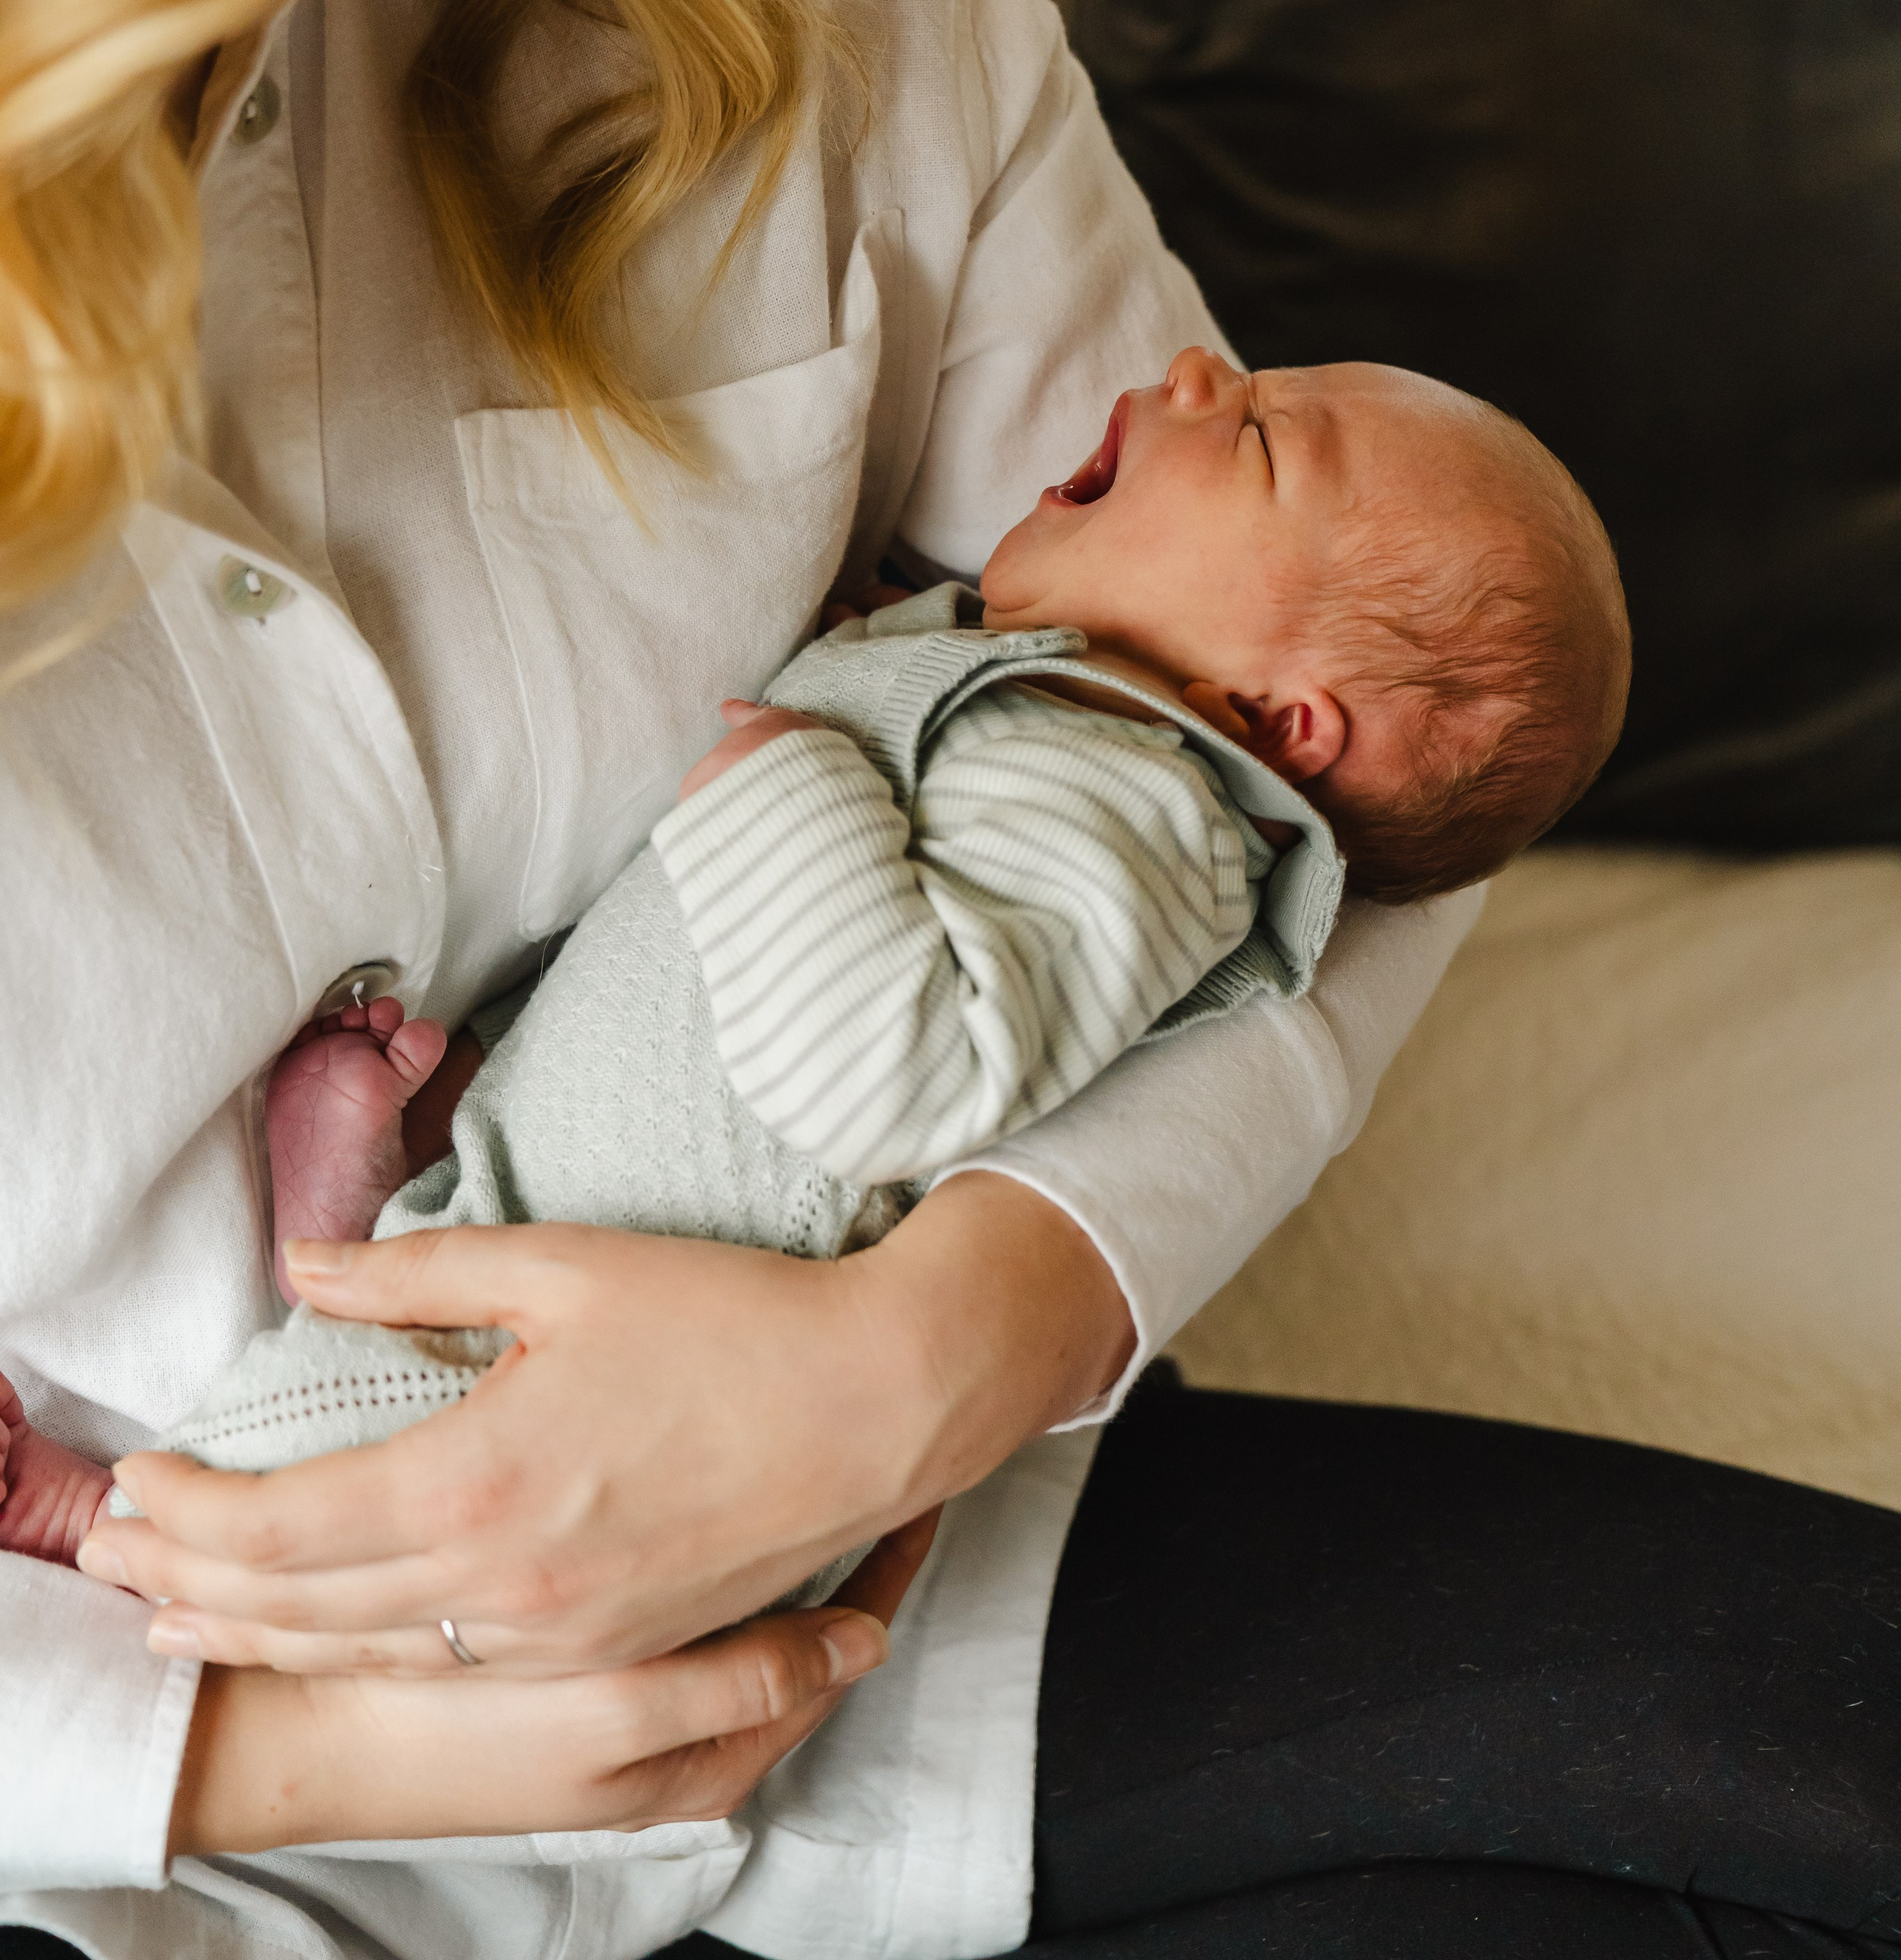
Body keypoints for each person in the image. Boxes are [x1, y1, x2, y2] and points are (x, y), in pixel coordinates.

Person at [2, 0, 1896, 1960]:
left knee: (1823, 1752)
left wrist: (927, 1354)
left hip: (866, 1616)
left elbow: (1335, 771)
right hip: (123, 1786)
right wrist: (260, 1752)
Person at [0, 352, 1628, 1549]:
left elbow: (888, 1076)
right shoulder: (1061, 717)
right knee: (393, 1368)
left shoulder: (1149, 811)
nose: (1201, 368)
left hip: (621, 1378)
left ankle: (107, 1528)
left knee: (334, 1509)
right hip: (571, 1210)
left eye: (1263, 435)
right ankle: (360, 1230)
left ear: (1271, 721)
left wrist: (788, 778)